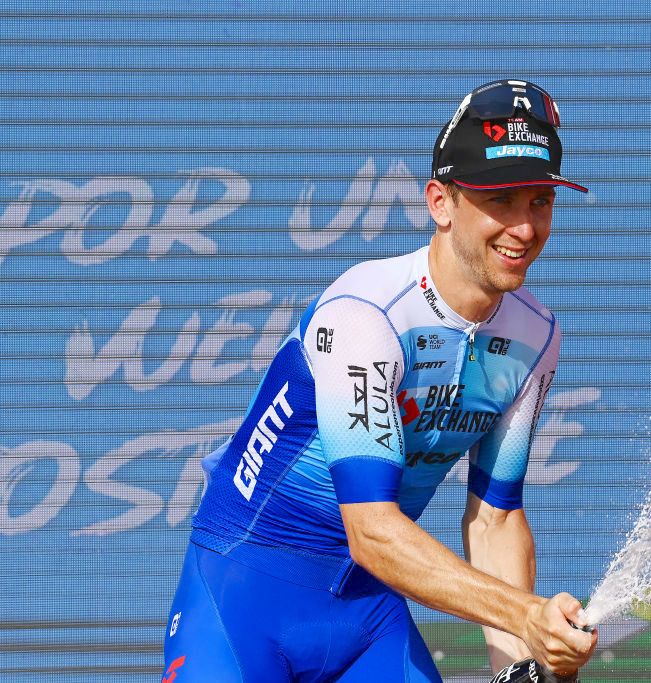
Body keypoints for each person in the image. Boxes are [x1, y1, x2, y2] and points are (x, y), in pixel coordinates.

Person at [162, 79, 598, 682]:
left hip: (368, 620)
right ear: (440, 203)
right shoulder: (366, 314)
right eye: (502, 202)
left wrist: (520, 663)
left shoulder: (536, 337)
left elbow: (495, 518)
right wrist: (528, 616)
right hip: (242, 600)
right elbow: (370, 531)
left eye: (540, 202)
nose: (524, 229)